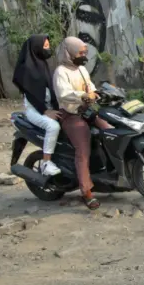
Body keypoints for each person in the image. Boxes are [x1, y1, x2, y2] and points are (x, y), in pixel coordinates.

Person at [52, 37, 112, 210]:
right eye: (80, 52)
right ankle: (86, 192)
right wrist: (83, 96)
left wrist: (96, 93)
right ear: (69, 53)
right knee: (82, 149)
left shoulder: (81, 70)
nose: (84, 55)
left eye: (85, 52)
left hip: (87, 110)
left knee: (110, 129)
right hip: (71, 115)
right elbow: (64, 94)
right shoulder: (61, 72)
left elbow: (90, 86)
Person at [12, 34, 62, 177]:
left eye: (48, 46)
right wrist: (45, 111)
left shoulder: (43, 64)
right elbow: (30, 95)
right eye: (45, 46)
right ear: (36, 48)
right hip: (35, 110)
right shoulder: (26, 69)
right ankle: (46, 163)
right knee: (53, 126)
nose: (48, 49)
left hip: (48, 106)